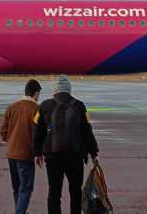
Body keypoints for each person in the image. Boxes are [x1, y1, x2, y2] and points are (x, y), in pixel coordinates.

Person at [33, 75, 99, 214]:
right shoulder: (79, 105)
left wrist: (37, 153)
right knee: (75, 191)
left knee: (54, 192)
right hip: (75, 155)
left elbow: (37, 131)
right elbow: (87, 130)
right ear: (69, 90)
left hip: (53, 156)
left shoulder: (45, 105)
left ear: (55, 90)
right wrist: (94, 153)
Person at [0, 79, 42, 214]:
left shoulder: (12, 107)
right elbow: (38, 134)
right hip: (25, 155)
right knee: (26, 188)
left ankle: (20, 210)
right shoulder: (37, 109)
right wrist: (38, 152)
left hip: (11, 153)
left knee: (17, 187)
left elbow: (3, 131)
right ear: (36, 93)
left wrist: (12, 141)